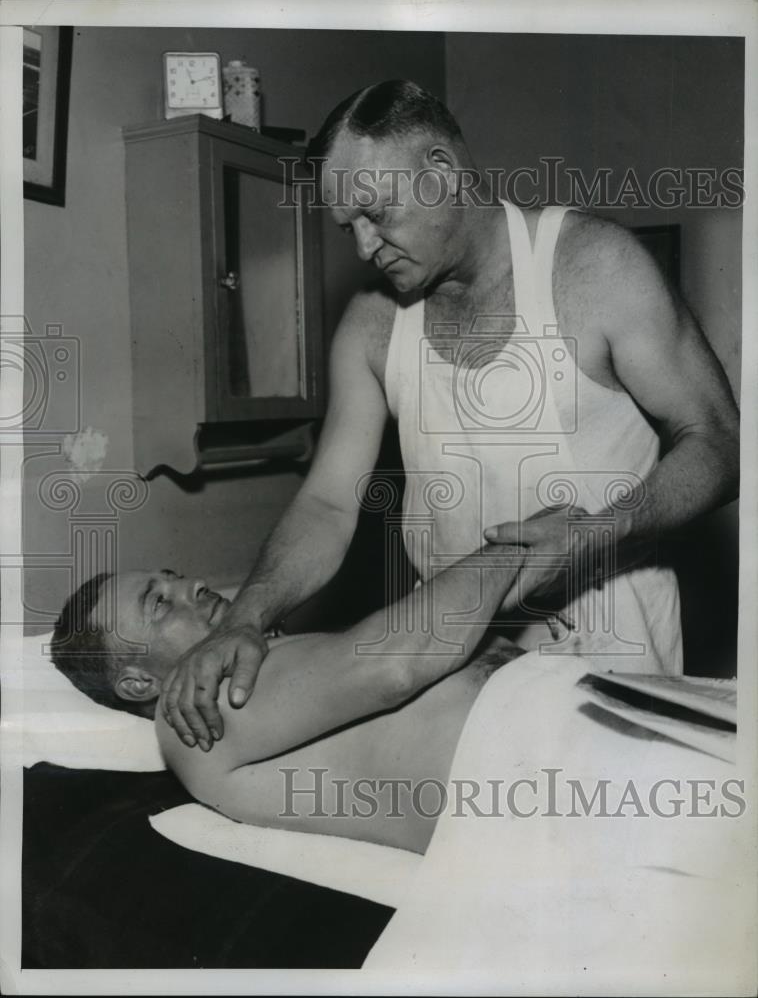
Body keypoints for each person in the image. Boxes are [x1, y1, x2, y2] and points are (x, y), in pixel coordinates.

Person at [162, 79, 740, 750]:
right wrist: (245, 617)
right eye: (347, 227)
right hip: (463, 671)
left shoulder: (597, 267)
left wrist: (595, 533)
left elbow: (722, 441)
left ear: (440, 172)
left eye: (376, 213)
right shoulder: (372, 326)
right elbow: (327, 503)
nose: (364, 246)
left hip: (615, 670)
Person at [51, 547, 527, 853]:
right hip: (534, 782)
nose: (192, 585)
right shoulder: (188, 710)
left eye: (174, 577)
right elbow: (395, 663)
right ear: (138, 684)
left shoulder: (245, 659)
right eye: (159, 603)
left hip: (555, 737)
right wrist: (517, 546)